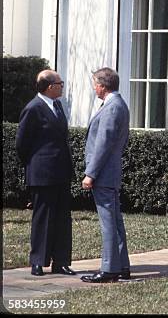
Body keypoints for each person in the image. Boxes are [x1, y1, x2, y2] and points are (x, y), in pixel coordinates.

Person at [15, 70, 75, 276]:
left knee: (62, 219)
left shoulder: (57, 105)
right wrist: (35, 165)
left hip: (61, 172)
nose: (62, 86)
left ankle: (61, 261)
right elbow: (21, 144)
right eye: (60, 83)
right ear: (50, 86)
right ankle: (38, 261)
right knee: (43, 218)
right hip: (42, 173)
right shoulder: (33, 109)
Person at [81, 67, 131, 283]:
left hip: (104, 173)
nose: (94, 88)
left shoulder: (112, 107)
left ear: (102, 85)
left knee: (108, 222)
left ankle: (110, 269)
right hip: (109, 172)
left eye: (95, 84)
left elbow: (103, 144)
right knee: (114, 220)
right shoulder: (117, 104)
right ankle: (121, 266)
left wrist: (90, 173)